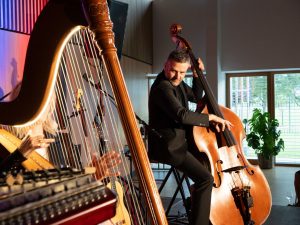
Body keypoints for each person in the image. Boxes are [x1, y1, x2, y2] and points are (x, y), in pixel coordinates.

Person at [148, 49, 232, 225]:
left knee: (206, 169)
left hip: (182, 142)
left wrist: (196, 75)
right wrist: (210, 118)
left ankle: (197, 207)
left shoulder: (177, 83)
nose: (177, 76)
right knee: (206, 179)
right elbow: (182, 115)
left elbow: (196, 96)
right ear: (165, 65)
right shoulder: (162, 87)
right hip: (170, 148)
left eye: (182, 72)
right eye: (173, 70)